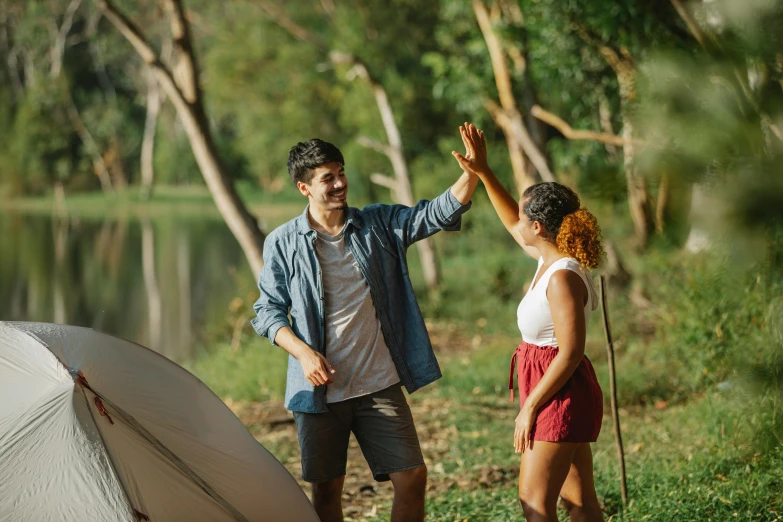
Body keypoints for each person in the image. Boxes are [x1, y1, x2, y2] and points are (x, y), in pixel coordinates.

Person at [251, 127, 480, 522]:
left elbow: (433, 214)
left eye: (341, 172)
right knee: (325, 491)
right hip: (318, 393)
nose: (340, 183)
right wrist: (304, 354)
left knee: (412, 476)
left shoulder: (377, 224)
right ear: (305, 188)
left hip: (379, 383)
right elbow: (267, 311)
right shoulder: (282, 242)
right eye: (328, 178)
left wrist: (472, 173)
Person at [452, 129, 605, 522]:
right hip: (553, 386)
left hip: (558, 391)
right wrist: (484, 172)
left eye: (524, 217)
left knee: (535, 503)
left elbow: (570, 353)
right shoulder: (549, 259)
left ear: (538, 227)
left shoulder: (562, 277)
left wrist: (530, 407)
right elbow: (510, 219)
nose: (515, 222)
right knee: (580, 502)